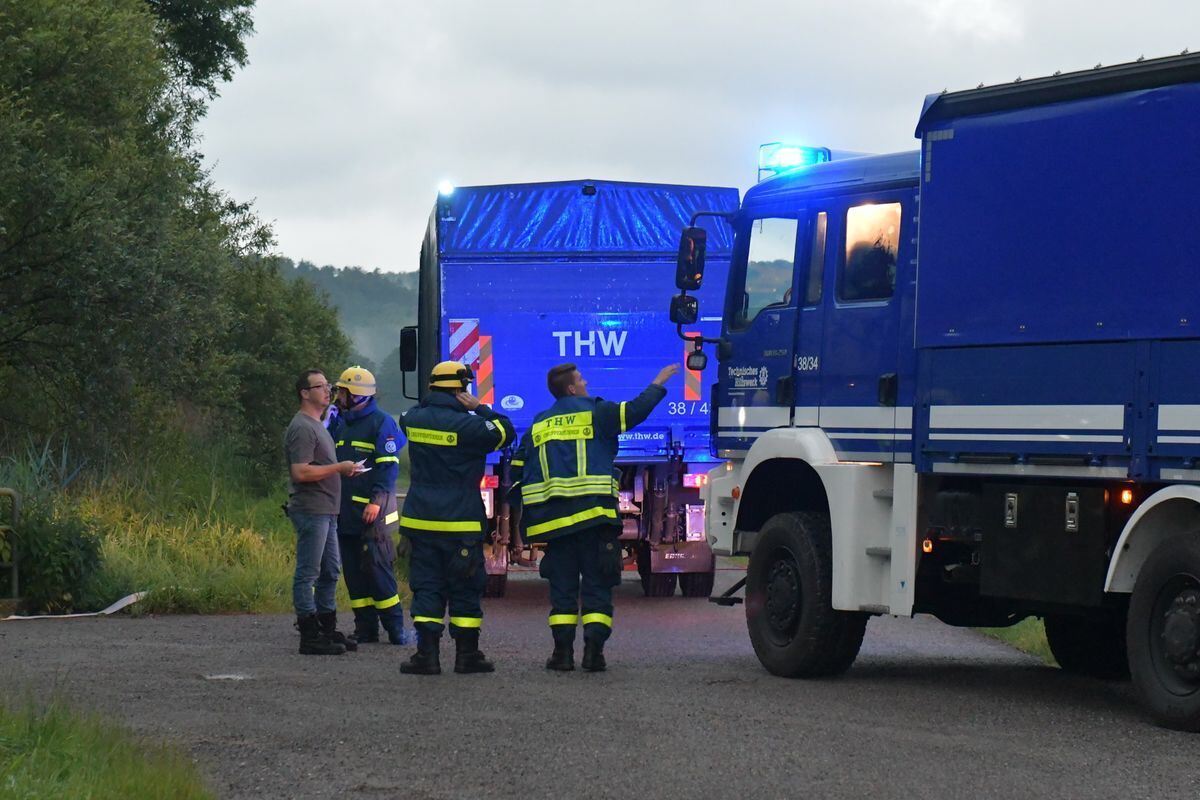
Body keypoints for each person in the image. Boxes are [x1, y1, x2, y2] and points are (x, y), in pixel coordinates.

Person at [513, 362, 678, 672]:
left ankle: (562, 655)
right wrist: (658, 382)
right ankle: (593, 654)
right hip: (595, 521)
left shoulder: (539, 423)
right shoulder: (596, 412)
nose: (586, 382)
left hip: (556, 526)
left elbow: (518, 469)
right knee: (597, 587)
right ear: (571, 388)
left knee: (562, 590)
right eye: (581, 379)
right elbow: (636, 411)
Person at [397, 360, 515, 675]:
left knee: (427, 587)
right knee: (465, 589)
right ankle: (467, 656)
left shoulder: (412, 419)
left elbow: (409, 415)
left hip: (421, 521)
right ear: (462, 389)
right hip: (461, 522)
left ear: (432, 386)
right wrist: (480, 408)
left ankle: (426, 656)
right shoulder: (470, 426)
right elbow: (506, 431)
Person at [329, 366, 410, 646]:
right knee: (354, 573)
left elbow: (388, 469)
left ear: (357, 395)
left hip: (373, 514)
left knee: (377, 570)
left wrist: (376, 502)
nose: (338, 397)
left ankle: (395, 628)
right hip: (345, 512)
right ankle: (365, 628)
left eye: (343, 392)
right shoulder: (340, 422)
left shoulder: (381, 423)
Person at [284, 369, 363, 655]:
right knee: (309, 573)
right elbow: (300, 471)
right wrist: (339, 468)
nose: (327, 390)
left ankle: (327, 629)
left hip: (328, 510)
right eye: (320, 386)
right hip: (312, 509)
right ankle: (309, 635)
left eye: (328, 385)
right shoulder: (302, 428)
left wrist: (344, 470)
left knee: (330, 571)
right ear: (305, 393)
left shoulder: (318, 424)